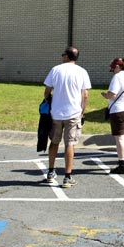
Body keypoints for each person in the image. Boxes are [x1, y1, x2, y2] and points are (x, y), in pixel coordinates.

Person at [42, 46, 91, 187]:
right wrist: (82, 111)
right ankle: (67, 176)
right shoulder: (82, 72)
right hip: (74, 113)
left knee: (54, 142)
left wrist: (47, 99)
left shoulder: (56, 70)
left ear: (67, 56)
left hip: (56, 113)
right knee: (70, 143)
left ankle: (51, 172)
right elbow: (85, 94)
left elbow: (47, 90)